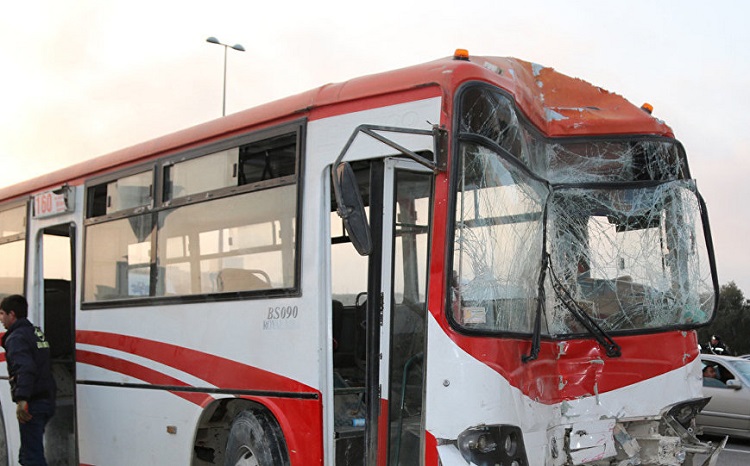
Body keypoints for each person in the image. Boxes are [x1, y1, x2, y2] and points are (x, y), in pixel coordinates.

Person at [0, 295, 56, 466]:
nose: (1, 319)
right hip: (47, 399)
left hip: (33, 403)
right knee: (26, 455)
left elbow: (24, 368)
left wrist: (22, 399)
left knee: (32, 457)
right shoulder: (36, 332)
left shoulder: (16, 338)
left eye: (2, 314)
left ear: (12, 314)